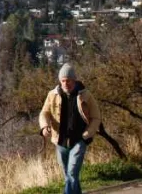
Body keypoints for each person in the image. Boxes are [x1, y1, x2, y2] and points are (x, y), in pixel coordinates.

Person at [39, 63, 101, 194]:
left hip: (79, 140)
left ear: (74, 80)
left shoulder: (85, 95)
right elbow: (44, 113)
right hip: (60, 141)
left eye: (68, 81)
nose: (66, 83)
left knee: (72, 172)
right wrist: (44, 126)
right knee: (68, 175)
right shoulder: (52, 95)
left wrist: (87, 134)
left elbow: (96, 117)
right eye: (63, 81)